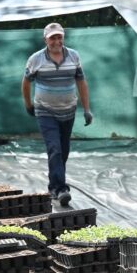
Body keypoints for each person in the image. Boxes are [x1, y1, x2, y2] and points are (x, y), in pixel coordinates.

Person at [22, 21, 93, 206]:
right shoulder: (36, 59)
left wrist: (87, 109)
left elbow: (81, 82)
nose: (56, 41)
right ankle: (61, 189)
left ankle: (53, 185)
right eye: (52, 38)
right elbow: (26, 83)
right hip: (45, 110)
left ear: (63, 38)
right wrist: (29, 104)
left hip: (68, 111)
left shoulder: (74, 56)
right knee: (55, 148)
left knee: (63, 150)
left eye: (59, 37)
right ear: (46, 40)